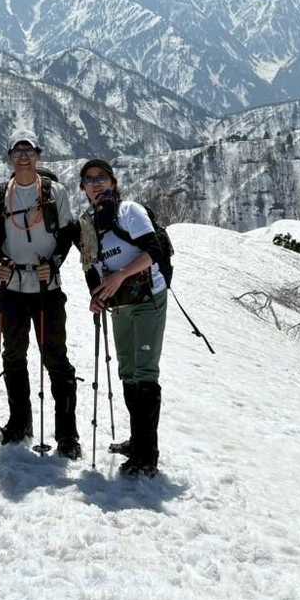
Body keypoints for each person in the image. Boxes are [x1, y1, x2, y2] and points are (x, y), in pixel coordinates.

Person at [0, 132, 81, 458]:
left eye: (29, 151)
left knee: (55, 359)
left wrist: (53, 264)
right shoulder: (0, 195)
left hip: (46, 288)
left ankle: (67, 435)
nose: (23, 156)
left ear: (38, 155)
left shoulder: (55, 192)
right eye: (18, 151)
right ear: (10, 157)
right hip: (13, 287)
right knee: (13, 357)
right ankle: (19, 424)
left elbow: (66, 234)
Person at [77, 158, 168, 477]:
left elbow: (154, 250)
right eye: (89, 180)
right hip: (121, 304)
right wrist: (96, 296)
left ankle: (147, 455)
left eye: (101, 178)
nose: (96, 184)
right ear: (83, 189)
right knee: (128, 371)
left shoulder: (129, 211)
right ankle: (137, 440)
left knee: (145, 372)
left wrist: (120, 275)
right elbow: (90, 268)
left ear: (113, 183)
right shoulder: (88, 225)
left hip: (149, 299)